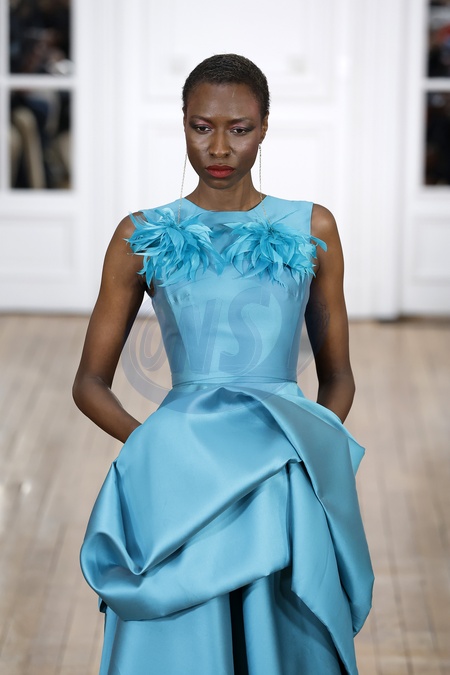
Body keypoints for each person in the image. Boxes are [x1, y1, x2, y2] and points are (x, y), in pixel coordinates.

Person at [73, 54, 373, 675]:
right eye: (201, 126)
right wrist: (153, 446)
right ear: (182, 123)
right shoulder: (142, 233)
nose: (218, 147)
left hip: (279, 467)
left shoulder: (311, 226)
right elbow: (89, 383)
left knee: (278, 638)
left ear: (265, 128)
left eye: (239, 129)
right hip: (179, 471)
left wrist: (308, 449)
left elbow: (338, 375)